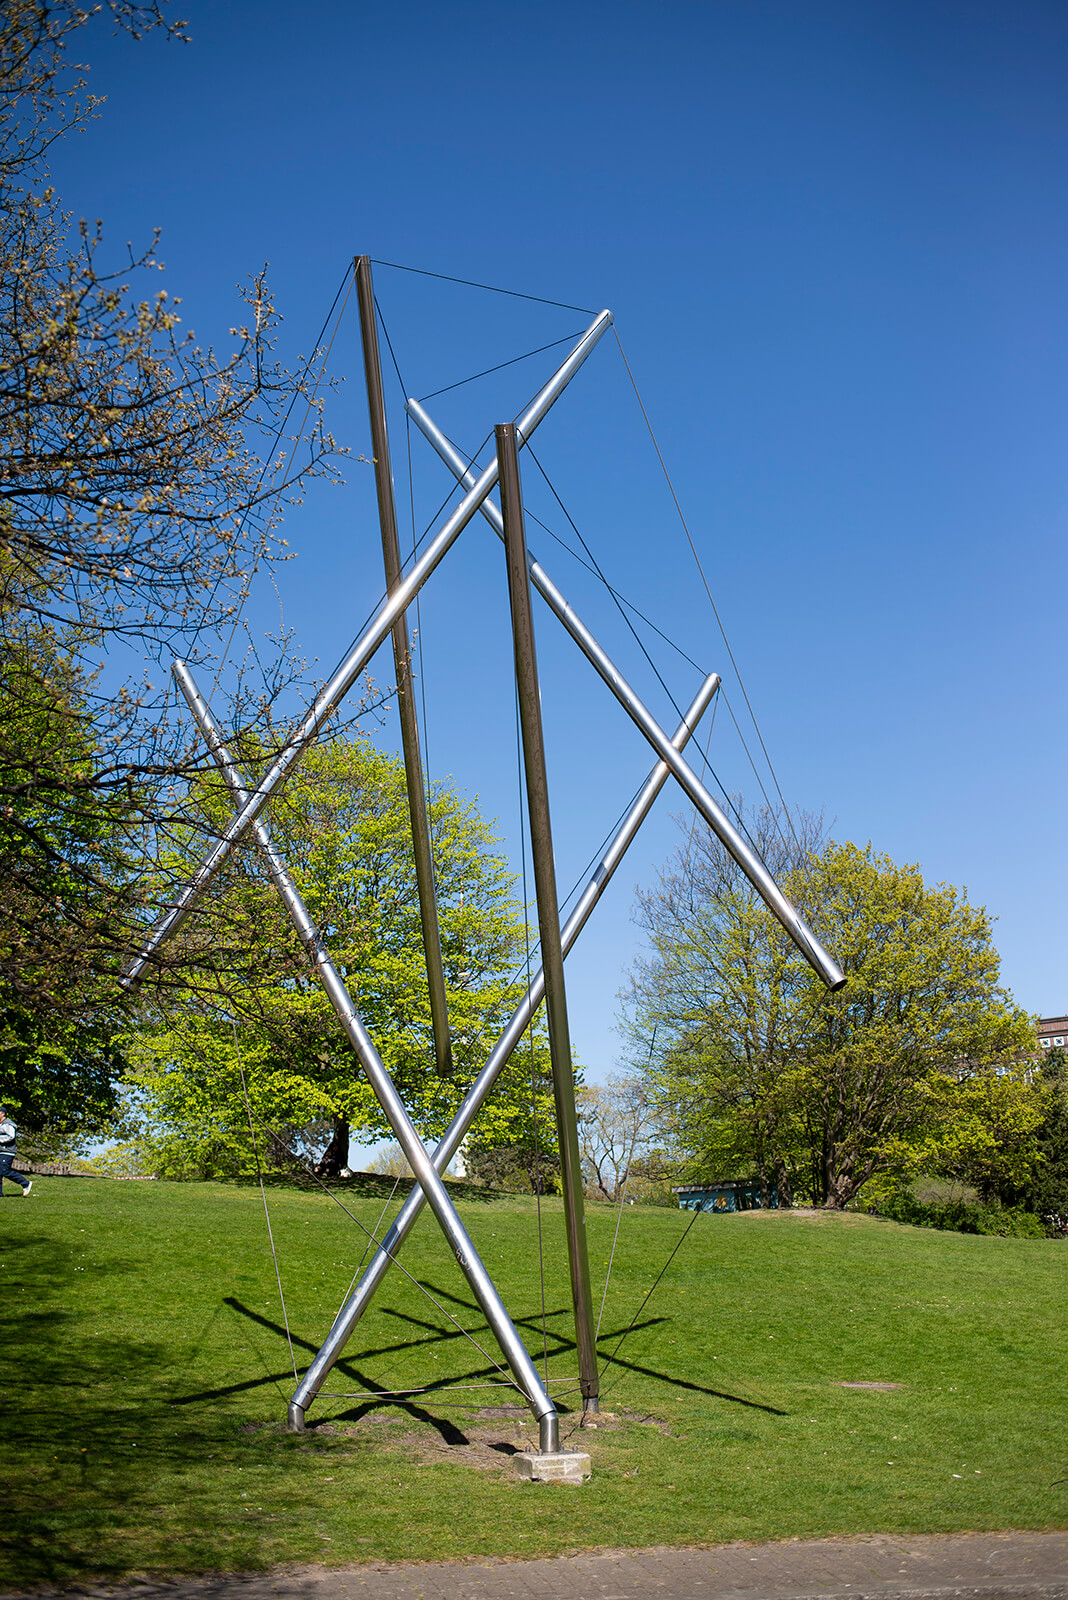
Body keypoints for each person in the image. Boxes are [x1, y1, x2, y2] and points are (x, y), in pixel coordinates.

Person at [0, 1108, 31, 1196]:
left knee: (4, 1170)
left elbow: (11, 1136)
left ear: (3, 1114)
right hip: (1, 1151)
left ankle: (25, 1183)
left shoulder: (8, 1124)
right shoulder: (1, 1124)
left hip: (7, 1151)